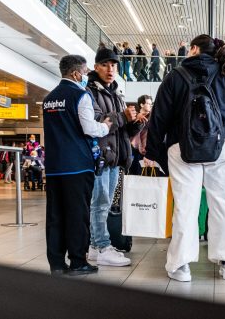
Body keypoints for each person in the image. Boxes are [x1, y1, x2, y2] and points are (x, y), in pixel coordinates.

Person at [145, 34, 225, 282]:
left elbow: (158, 118)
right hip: (222, 146)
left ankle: (181, 265)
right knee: (222, 203)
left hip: (181, 147)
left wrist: (155, 154)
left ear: (192, 49)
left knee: (185, 207)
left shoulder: (175, 76)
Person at [43, 54, 112, 276]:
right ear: (75, 73)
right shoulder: (80, 95)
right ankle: (78, 261)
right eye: (84, 72)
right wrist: (106, 126)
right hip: (77, 165)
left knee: (55, 215)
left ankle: (56, 263)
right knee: (77, 214)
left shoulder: (49, 99)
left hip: (54, 167)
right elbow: (90, 128)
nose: (85, 76)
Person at [86, 48, 145, 267]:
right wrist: (121, 116)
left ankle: (94, 247)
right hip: (100, 157)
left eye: (114, 65)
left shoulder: (116, 93)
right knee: (100, 204)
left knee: (105, 203)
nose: (110, 69)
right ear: (96, 67)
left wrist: (136, 123)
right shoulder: (90, 92)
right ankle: (102, 246)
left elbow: (122, 133)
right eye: (105, 65)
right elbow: (97, 123)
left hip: (114, 159)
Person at [129, 95, 153, 176]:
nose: (150, 105)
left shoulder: (153, 118)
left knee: (148, 174)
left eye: (151, 104)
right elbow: (130, 132)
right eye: (148, 103)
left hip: (147, 149)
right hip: (134, 148)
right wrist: (137, 119)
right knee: (134, 172)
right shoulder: (134, 117)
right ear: (142, 105)